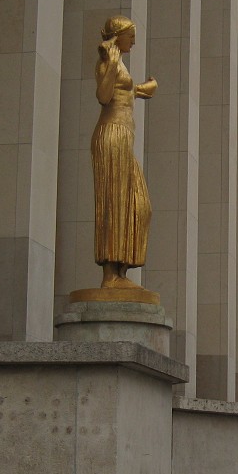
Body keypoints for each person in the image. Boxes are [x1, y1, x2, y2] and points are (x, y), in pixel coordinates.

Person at [92, 15, 158, 290]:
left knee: (140, 207)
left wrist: (142, 89)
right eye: (130, 35)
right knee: (114, 203)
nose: (134, 40)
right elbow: (104, 96)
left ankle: (120, 270)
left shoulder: (119, 61)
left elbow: (123, 94)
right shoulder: (108, 58)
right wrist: (109, 61)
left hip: (123, 138)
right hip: (111, 136)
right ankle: (110, 275)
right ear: (118, 35)